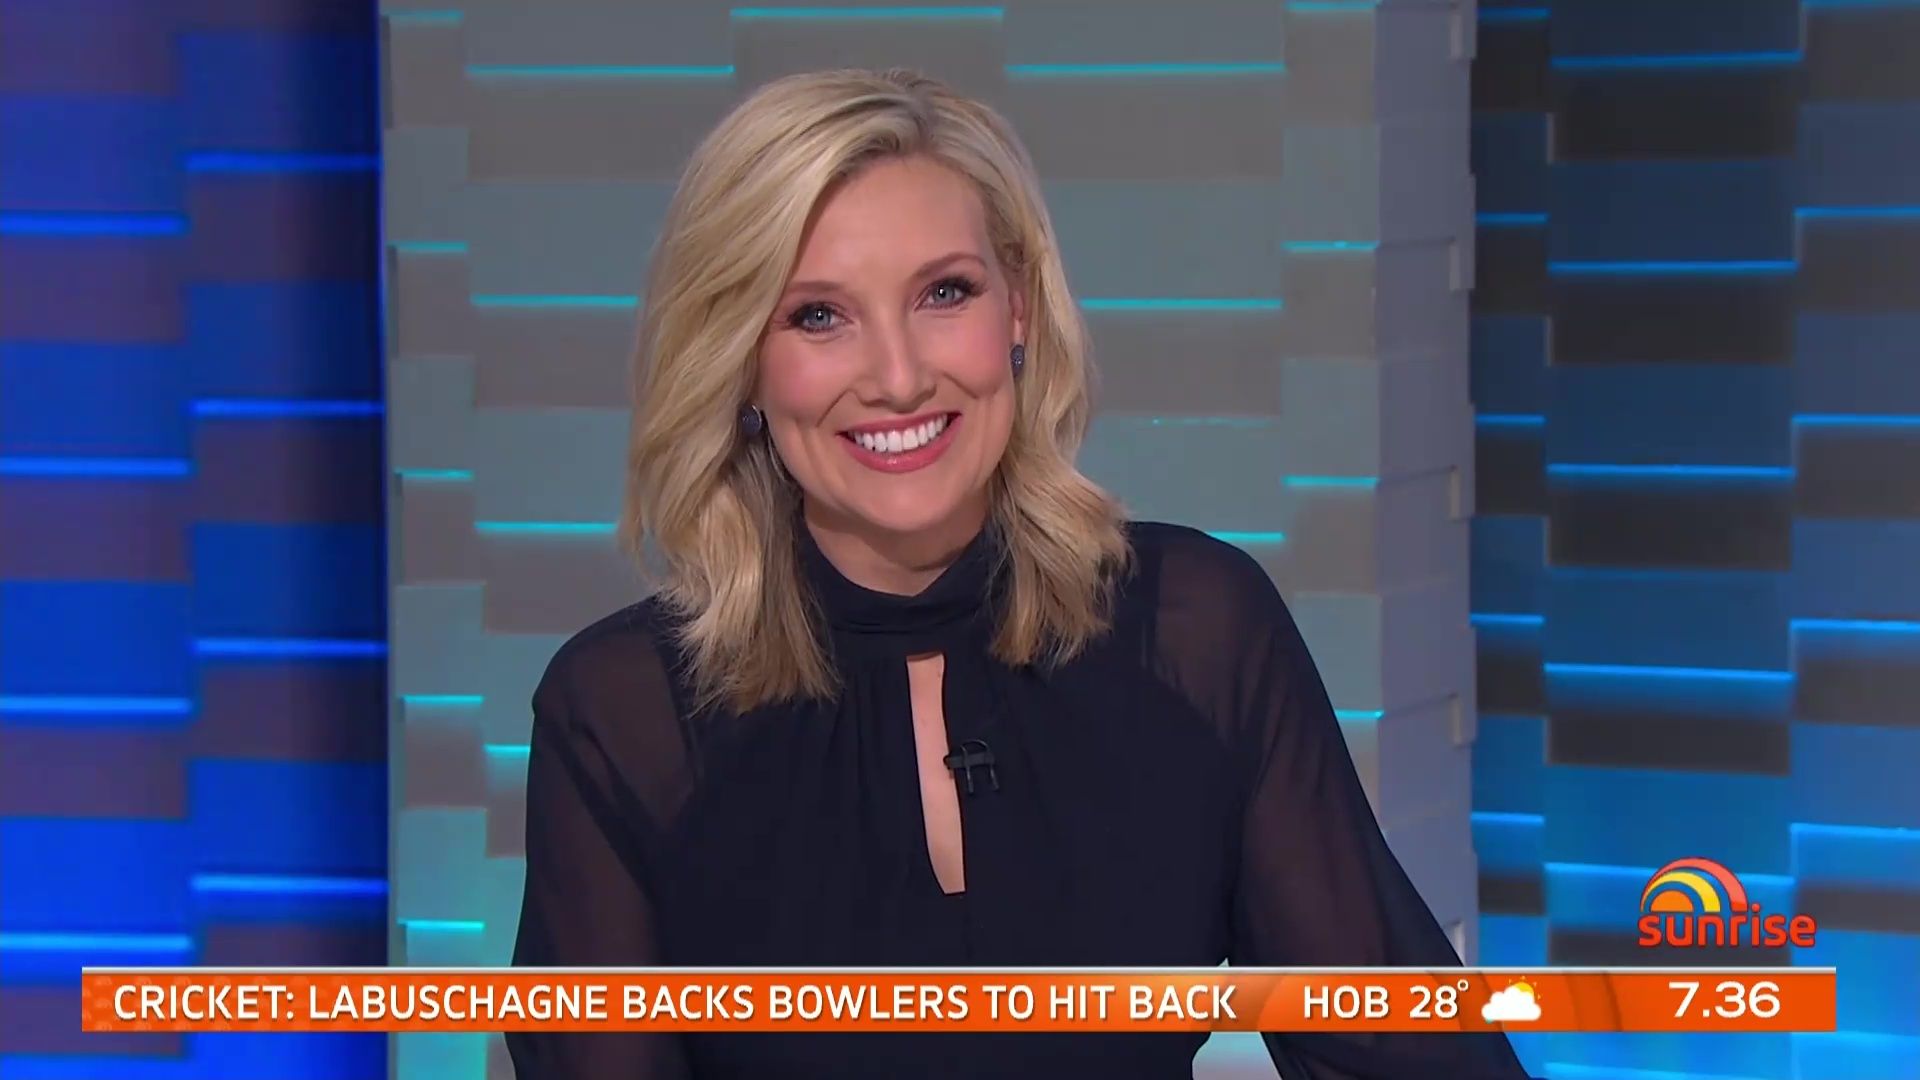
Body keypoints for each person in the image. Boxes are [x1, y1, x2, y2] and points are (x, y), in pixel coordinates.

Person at [506, 67, 1529, 1080]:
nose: (899, 376)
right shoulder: (624, 718)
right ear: (740, 359)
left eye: (944, 293)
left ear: (1020, 309)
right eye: (818, 316)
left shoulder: (1195, 635)